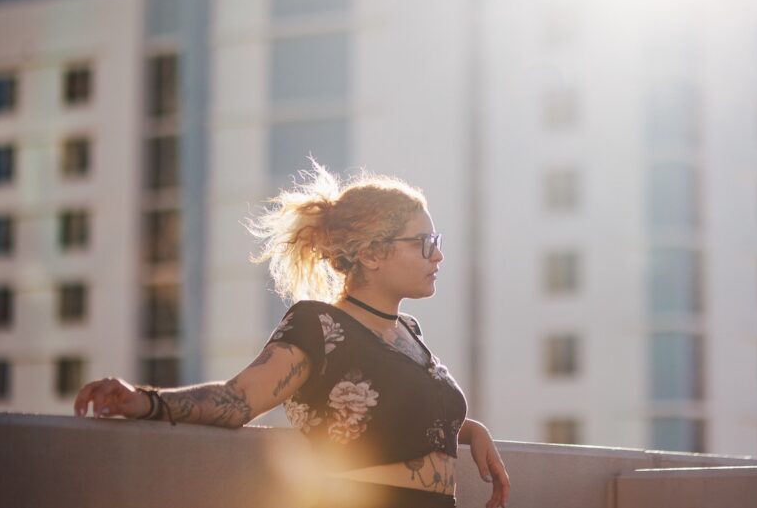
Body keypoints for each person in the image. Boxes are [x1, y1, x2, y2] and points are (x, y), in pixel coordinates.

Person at [74, 165, 510, 508]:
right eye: (424, 242)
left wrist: (470, 431)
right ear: (372, 253)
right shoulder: (318, 326)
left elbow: (394, 414)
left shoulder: (409, 334)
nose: (438, 255)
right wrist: (146, 401)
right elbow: (237, 400)